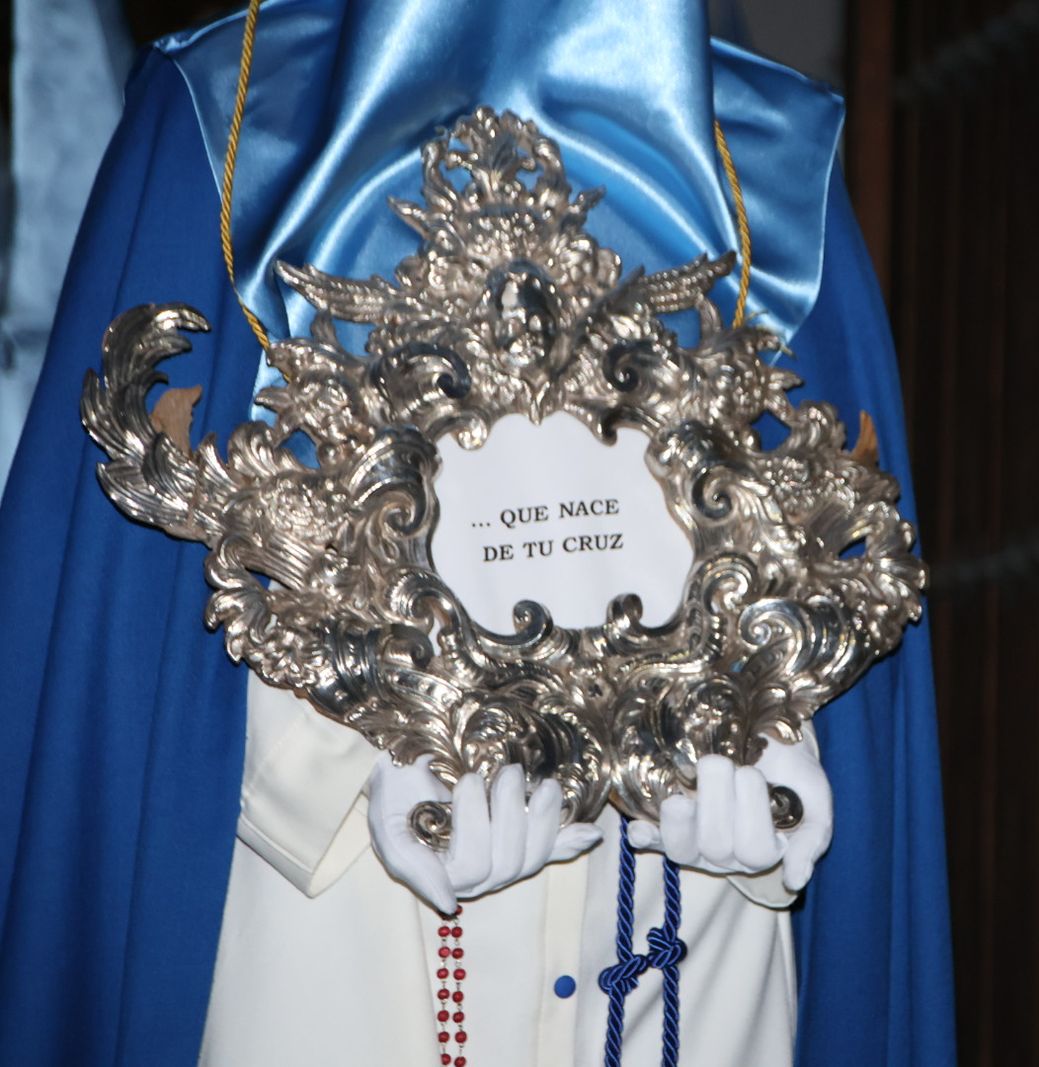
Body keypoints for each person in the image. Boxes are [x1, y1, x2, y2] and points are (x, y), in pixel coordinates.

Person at [0, 2, 955, 1064]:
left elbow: (844, 556)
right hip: (339, 968)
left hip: (689, 961)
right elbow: (110, 638)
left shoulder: (774, 162)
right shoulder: (220, 127)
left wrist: (768, 732)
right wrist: (337, 753)